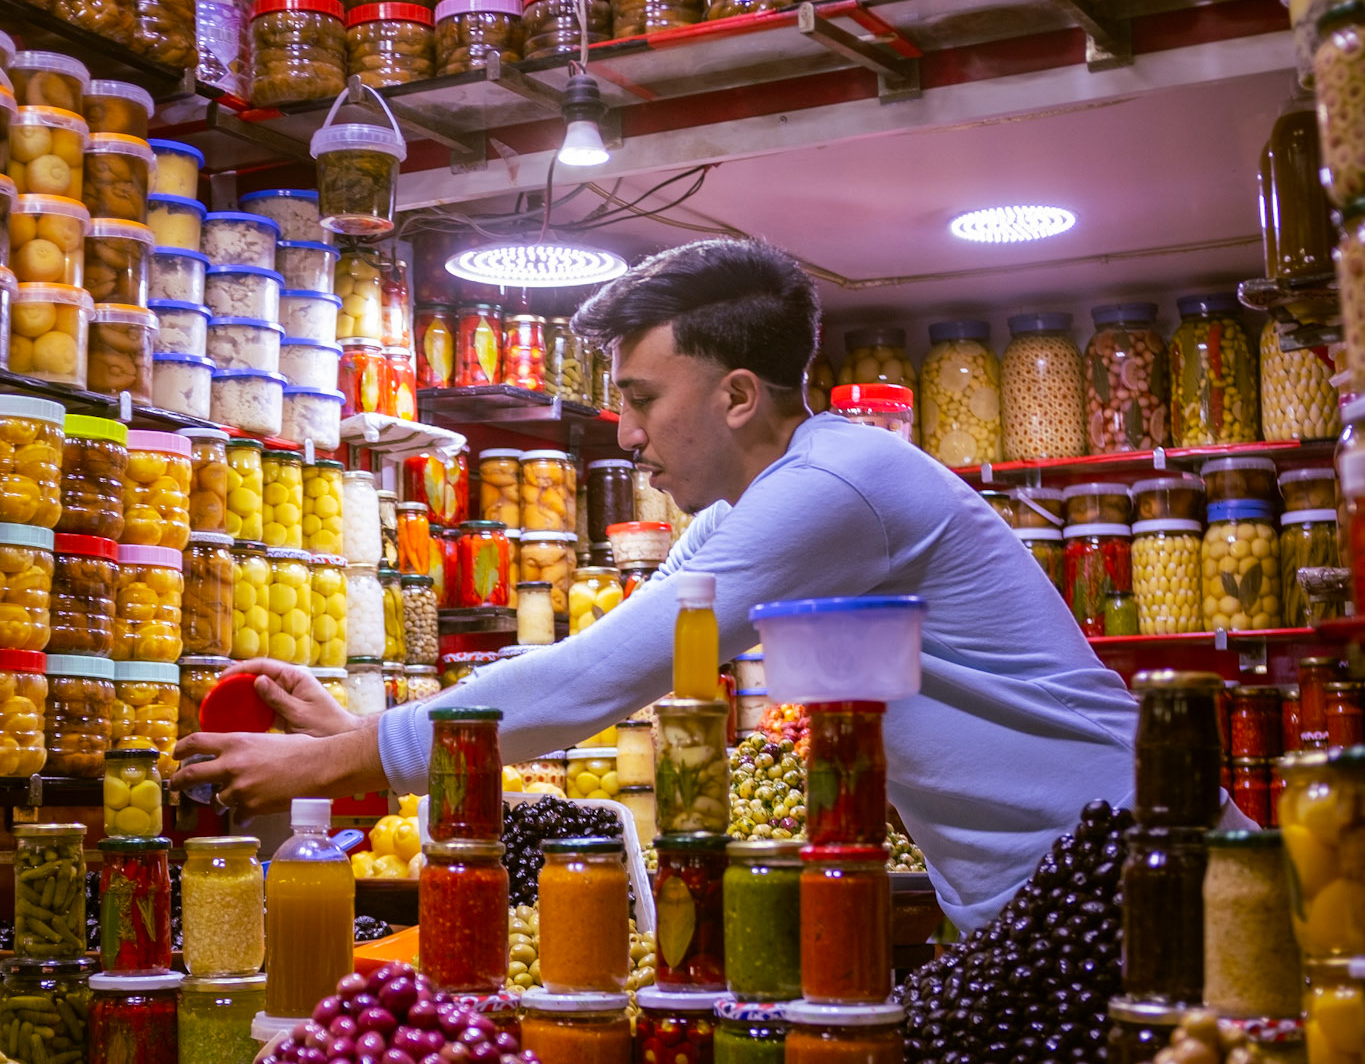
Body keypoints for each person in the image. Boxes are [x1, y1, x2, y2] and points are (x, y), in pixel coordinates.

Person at [174, 239, 1137, 930]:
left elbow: (600, 679)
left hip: (1111, 861)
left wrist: (332, 766)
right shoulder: (750, 510)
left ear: (737, 395)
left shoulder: (836, 488)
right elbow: (601, 658)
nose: (627, 434)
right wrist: (352, 735)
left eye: (641, 400)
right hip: (1038, 890)